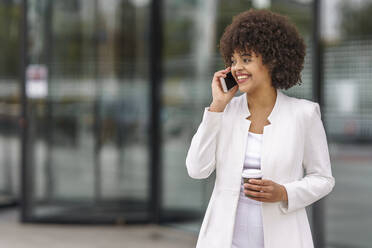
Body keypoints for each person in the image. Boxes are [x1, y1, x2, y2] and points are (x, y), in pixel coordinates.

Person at [185, 8, 335, 248]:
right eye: (233, 61)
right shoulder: (225, 112)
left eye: (246, 59)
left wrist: (284, 192)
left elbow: (323, 179)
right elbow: (196, 169)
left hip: (283, 239)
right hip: (225, 241)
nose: (236, 68)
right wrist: (216, 108)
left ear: (272, 60)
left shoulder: (304, 114)